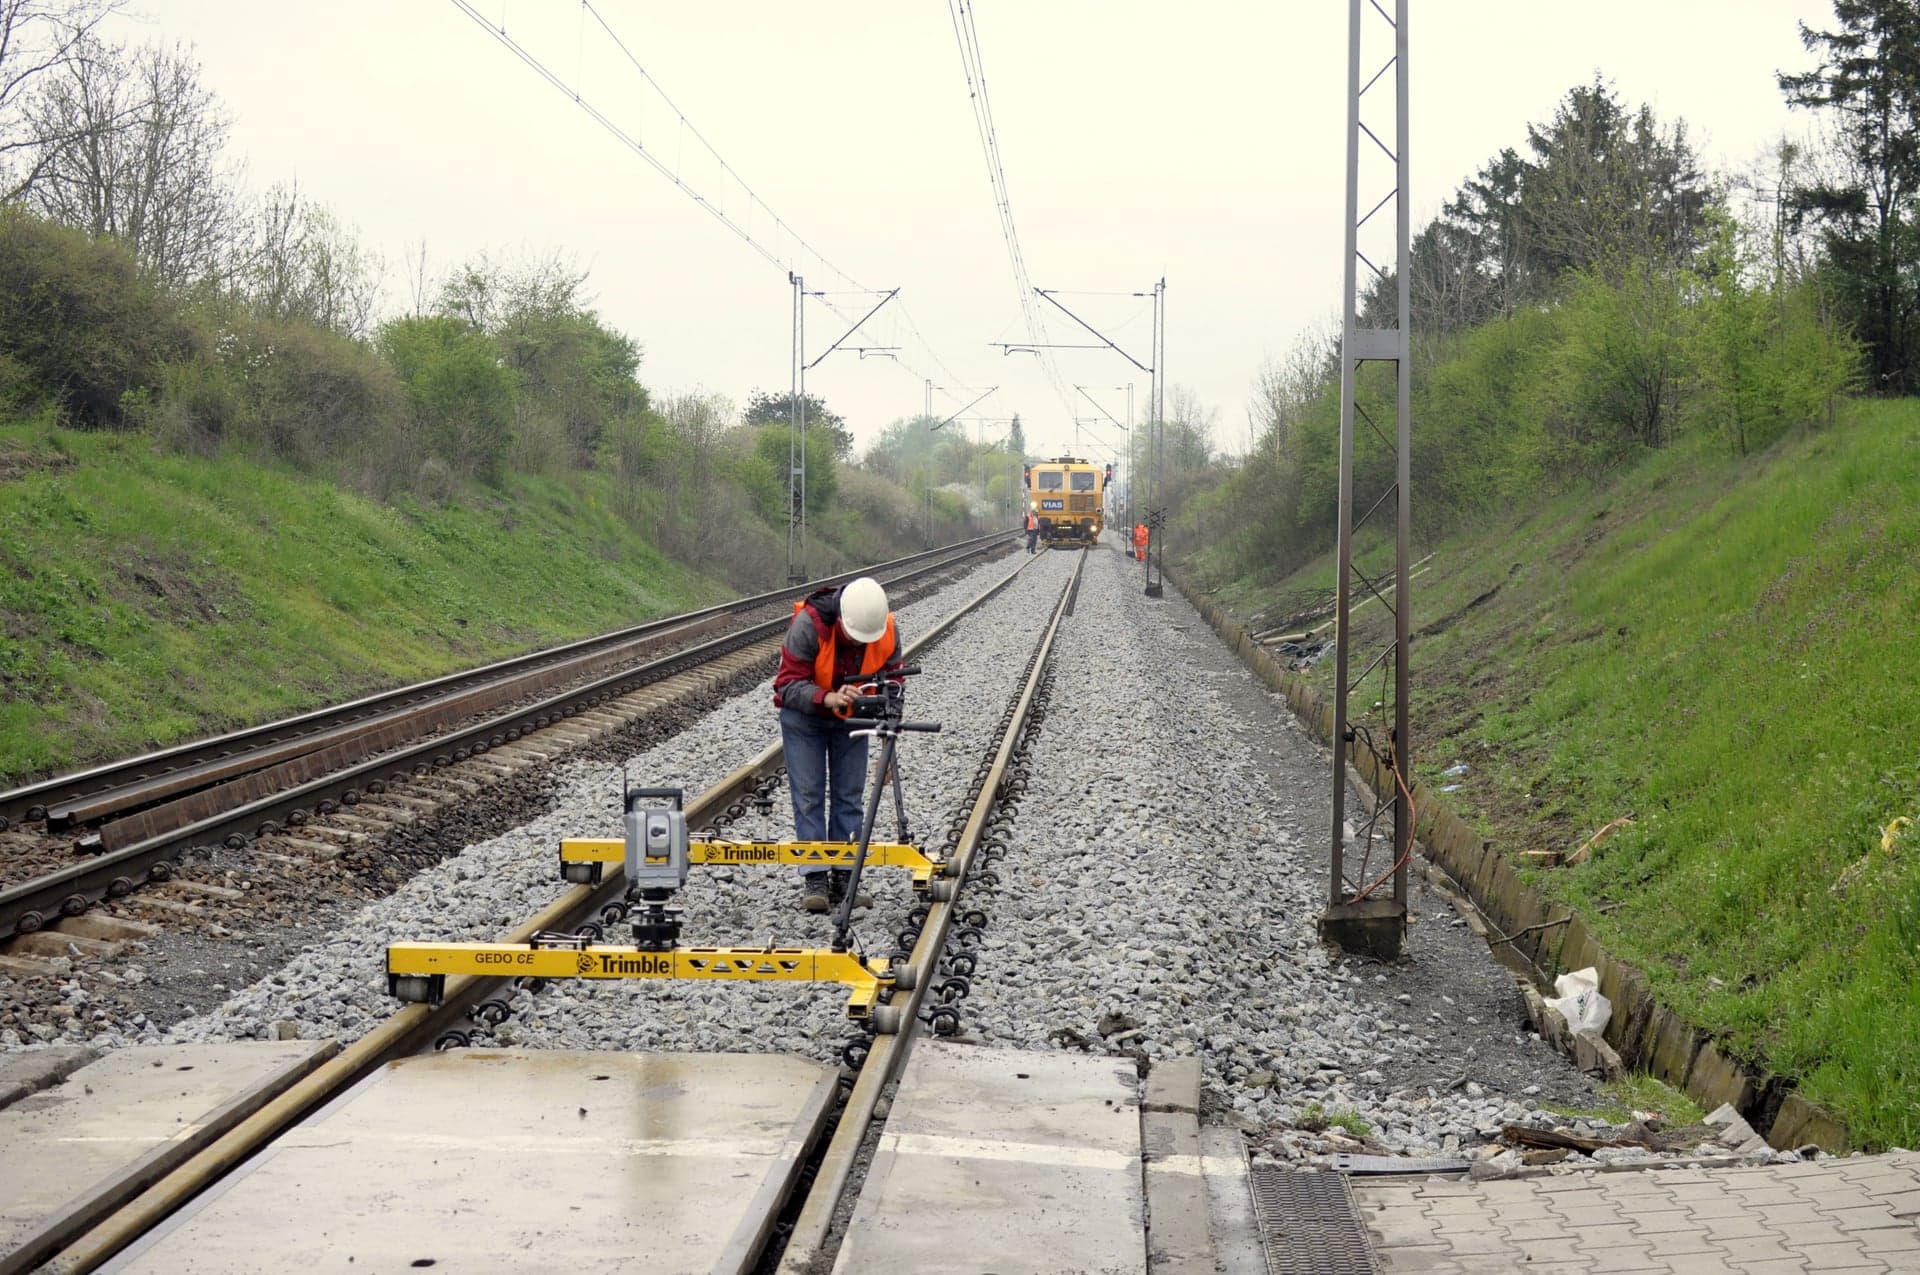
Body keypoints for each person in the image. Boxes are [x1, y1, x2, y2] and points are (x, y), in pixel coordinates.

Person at [772, 576, 900, 912]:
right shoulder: (808, 625)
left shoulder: (884, 628)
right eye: (852, 638)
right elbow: (786, 686)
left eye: (863, 641)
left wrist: (887, 743)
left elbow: (894, 687)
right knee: (810, 795)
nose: (858, 645)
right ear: (841, 619)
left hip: (853, 719)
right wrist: (826, 697)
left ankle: (846, 876)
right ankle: (816, 877)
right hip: (805, 718)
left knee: (849, 796)